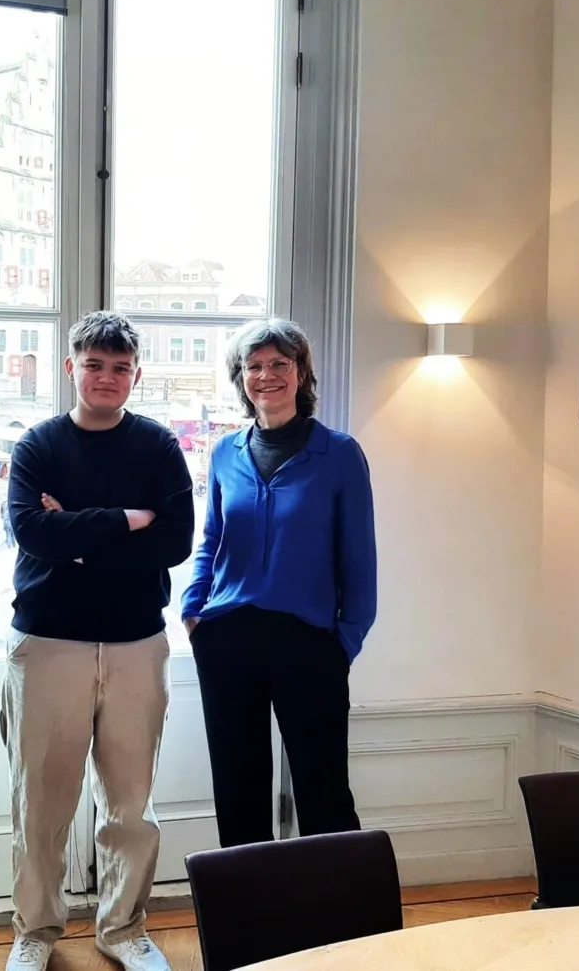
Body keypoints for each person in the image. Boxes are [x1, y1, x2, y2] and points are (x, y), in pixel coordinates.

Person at [2, 311, 194, 971]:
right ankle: (35, 931)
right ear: (70, 368)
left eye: (120, 367)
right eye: (93, 365)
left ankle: (122, 928)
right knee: (40, 805)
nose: (106, 377)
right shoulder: (38, 446)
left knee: (131, 806)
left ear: (136, 374)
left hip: (137, 644)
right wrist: (126, 521)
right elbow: (33, 533)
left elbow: (175, 541)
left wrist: (79, 538)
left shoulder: (159, 447)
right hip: (48, 643)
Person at [182, 318, 376, 849]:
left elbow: (359, 559)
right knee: (238, 790)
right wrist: (194, 609)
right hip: (227, 636)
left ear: (301, 372)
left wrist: (345, 642)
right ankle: (250, 902)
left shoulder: (339, 454)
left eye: (279, 364)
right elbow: (212, 538)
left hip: (309, 641)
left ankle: (339, 901)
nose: (266, 375)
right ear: (241, 378)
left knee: (324, 790)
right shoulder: (225, 453)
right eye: (254, 366)